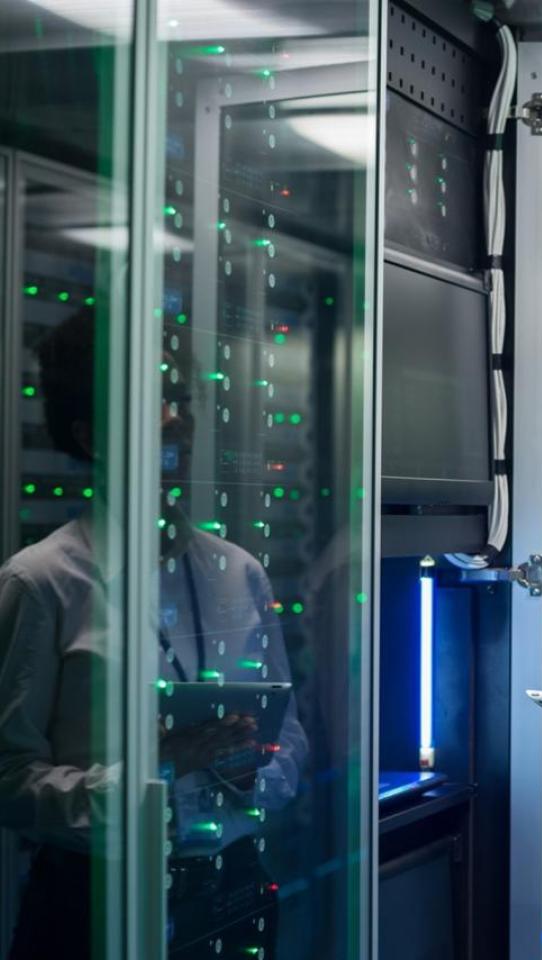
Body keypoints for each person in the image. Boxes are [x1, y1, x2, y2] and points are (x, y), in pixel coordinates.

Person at [0, 308, 306, 958]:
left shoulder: (239, 572)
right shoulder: (43, 582)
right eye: (150, 400)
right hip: (95, 902)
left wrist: (248, 766)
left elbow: (293, 741)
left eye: (179, 396)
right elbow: (9, 782)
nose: (178, 418)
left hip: (232, 888)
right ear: (88, 434)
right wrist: (157, 769)